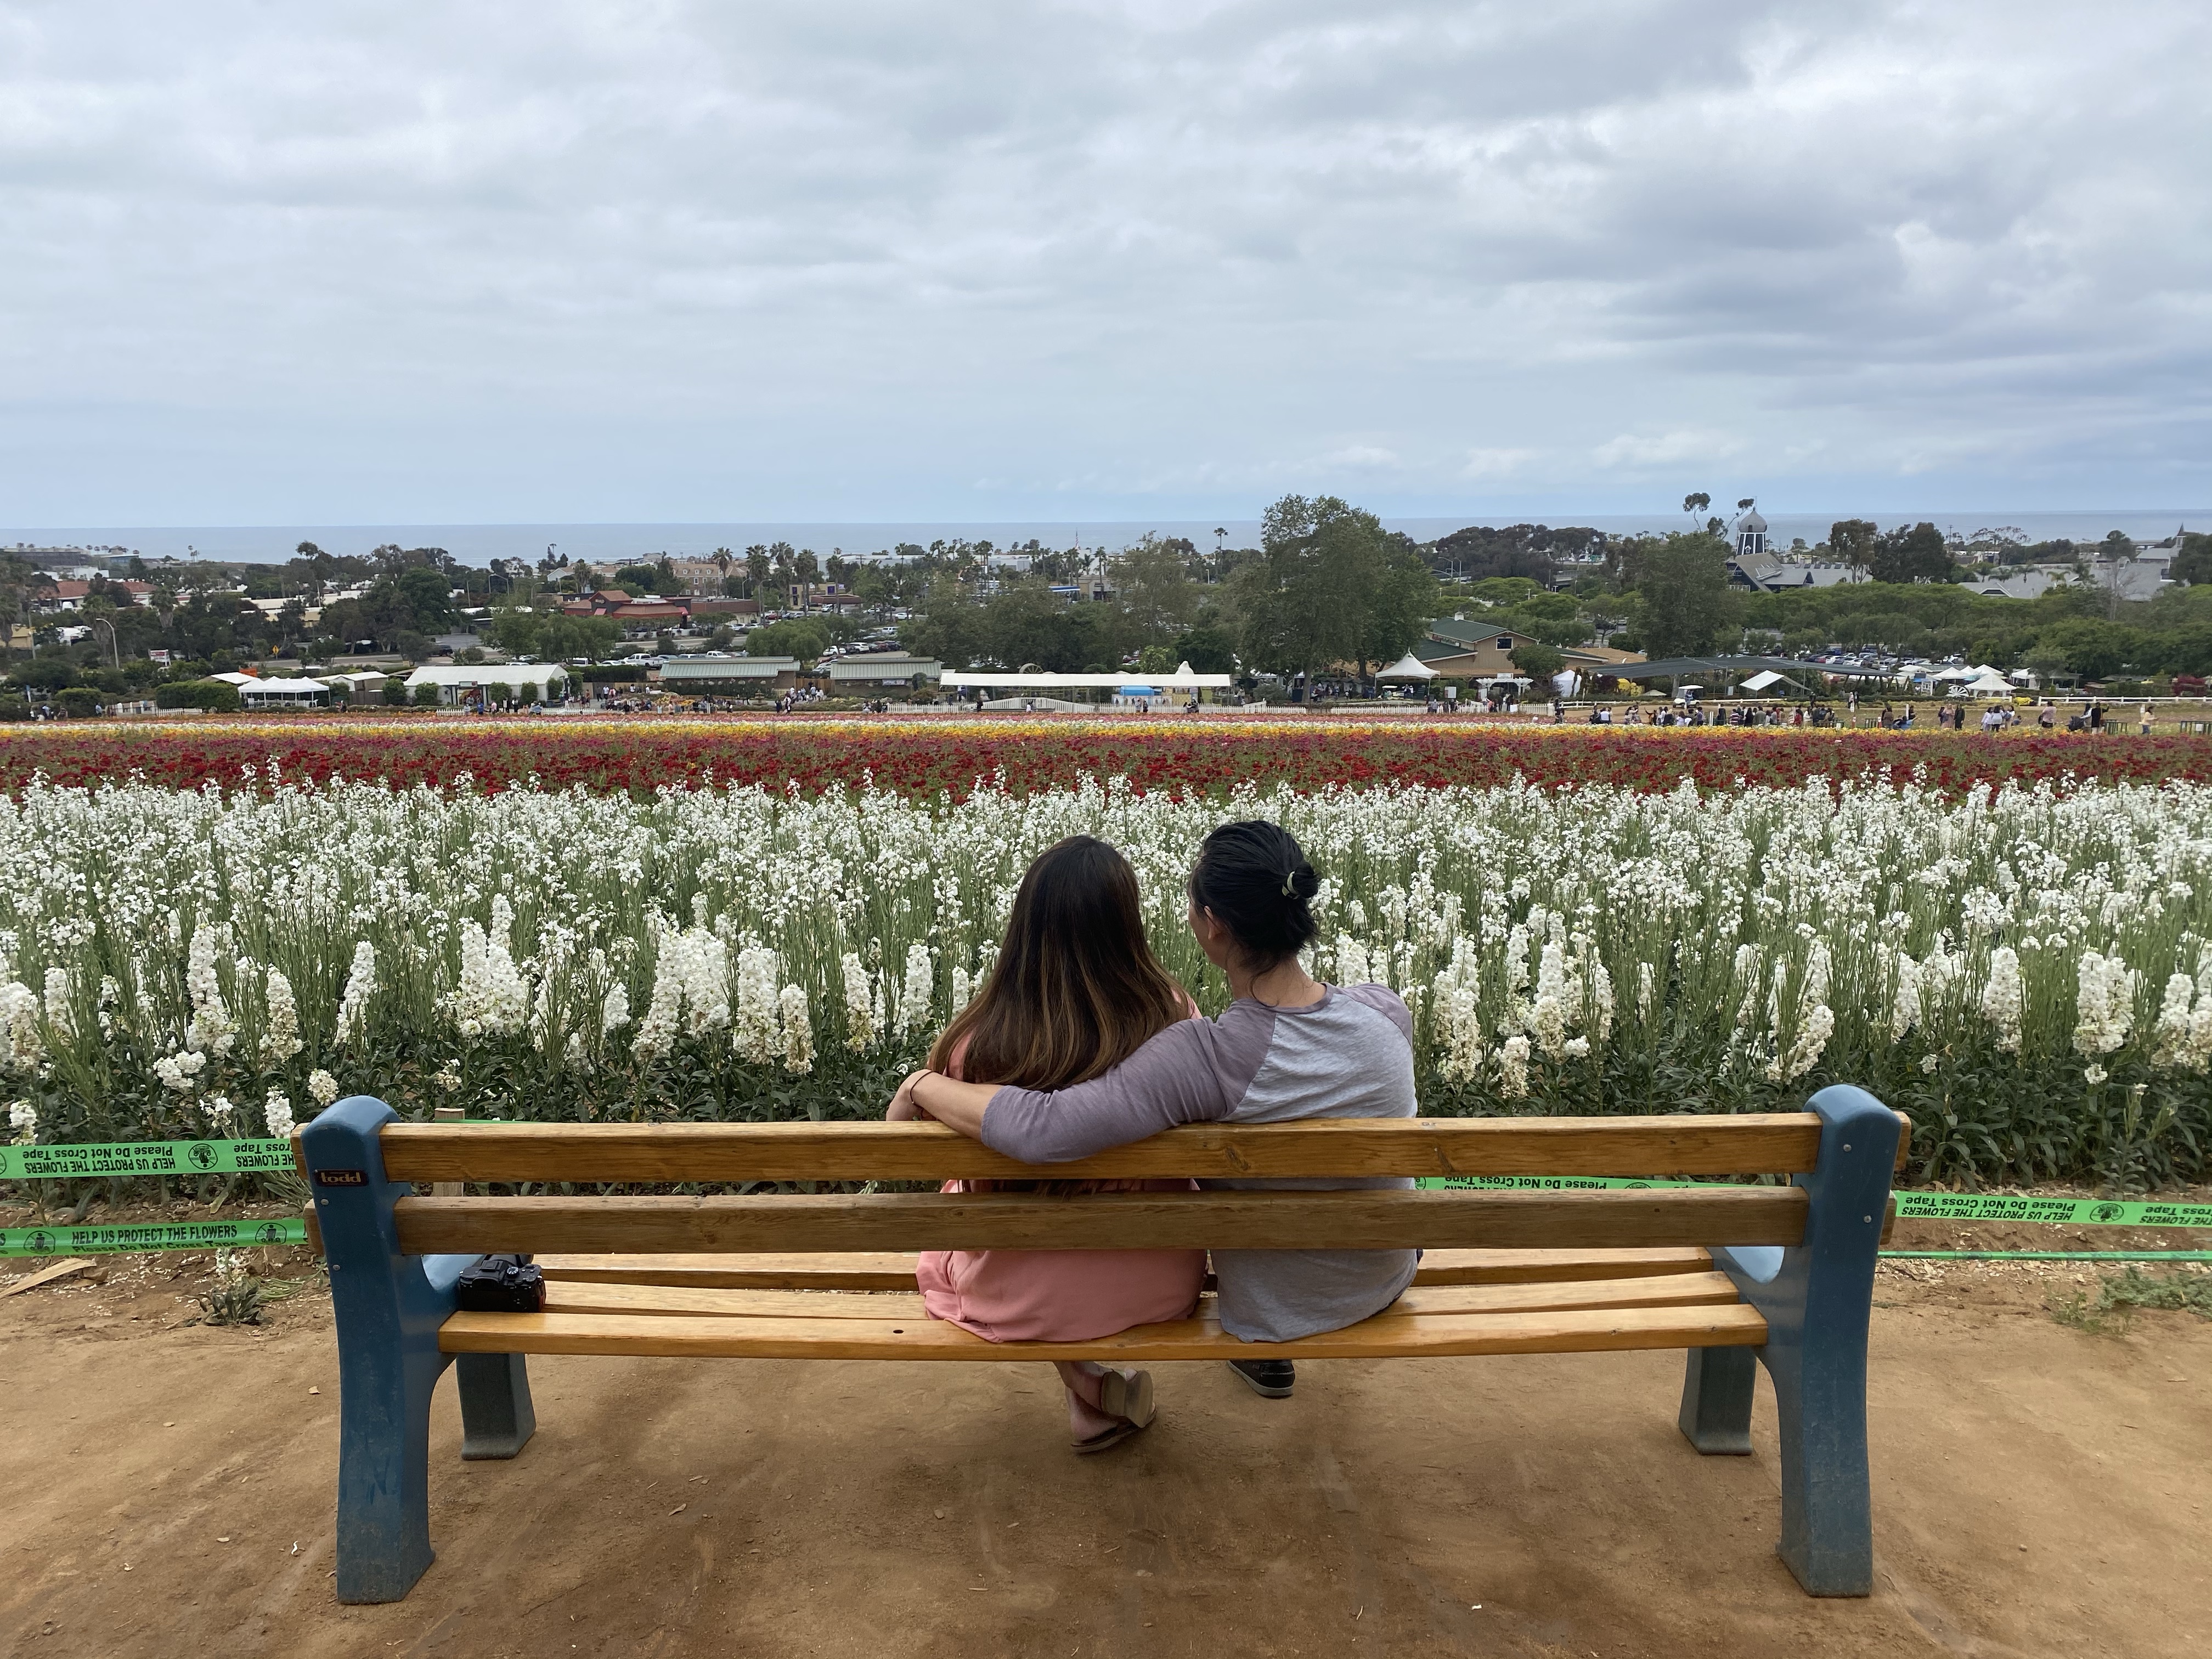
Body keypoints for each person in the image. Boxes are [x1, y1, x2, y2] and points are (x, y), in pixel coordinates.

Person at [894, 820, 1418, 1404]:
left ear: (1213, 925)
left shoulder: (1206, 1059)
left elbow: (1046, 1129)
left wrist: (921, 1083)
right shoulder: (1387, 1013)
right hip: (1384, 1280)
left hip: (1275, 1309)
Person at [907, 836, 1206, 1454]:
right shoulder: (1177, 1020)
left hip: (1011, 1297)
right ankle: (1091, 1395)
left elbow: (908, 1144)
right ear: (1127, 925)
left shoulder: (974, 1045)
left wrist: (916, 1084)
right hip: (1156, 1283)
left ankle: (1088, 1387)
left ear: (1026, 926)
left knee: (960, 1200)